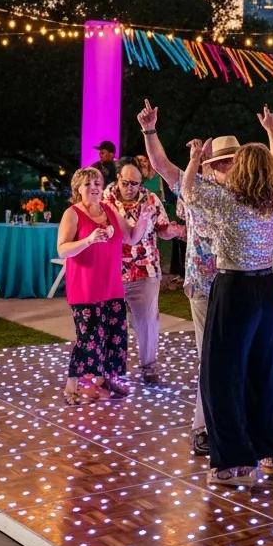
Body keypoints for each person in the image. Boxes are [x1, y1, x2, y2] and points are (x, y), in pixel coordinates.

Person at [182, 107, 273, 487]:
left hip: (234, 290)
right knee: (265, 371)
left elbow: (187, 189)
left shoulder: (226, 202)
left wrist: (196, 158)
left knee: (221, 375)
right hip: (266, 290)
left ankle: (233, 463)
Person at [137, 99, 233, 456]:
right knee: (210, 354)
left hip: (235, 283)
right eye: (222, 161)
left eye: (232, 161)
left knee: (228, 355)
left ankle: (224, 420)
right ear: (209, 165)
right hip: (205, 284)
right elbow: (161, 164)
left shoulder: (237, 194)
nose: (228, 166)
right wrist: (150, 130)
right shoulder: (192, 188)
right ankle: (202, 426)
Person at [58, 167, 151, 405]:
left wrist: (143, 219)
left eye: (97, 183)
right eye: (88, 184)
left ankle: (103, 380)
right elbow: (62, 249)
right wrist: (88, 240)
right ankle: (72, 386)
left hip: (111, 286)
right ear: (78, 188)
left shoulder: (110, 210)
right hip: (85, 288)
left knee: (113, 336)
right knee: (88, 338)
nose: (94, 188)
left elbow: (130, 237)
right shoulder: (73, 213)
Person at [103, 159, 181, 385]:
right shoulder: (105, 199)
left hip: (144, 268)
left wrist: (172, 230)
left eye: (134, 184)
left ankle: (149, 365)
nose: (129, 188)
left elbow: (162, 229)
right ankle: (112, 367)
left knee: (147, 321)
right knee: (111, 321)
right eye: (125, 182)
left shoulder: (151, 199)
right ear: (117, 179)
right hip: (111, 269)